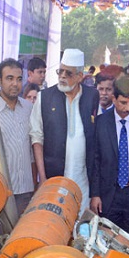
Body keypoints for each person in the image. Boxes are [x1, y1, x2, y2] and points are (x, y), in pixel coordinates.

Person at [30, 48, 99, 211]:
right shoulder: (45, 97)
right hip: (54, 180)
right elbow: (36, 138)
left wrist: (96, 190)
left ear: (80, 77)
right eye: (60, 71)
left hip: (83, 181)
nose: (62, 76)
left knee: (80, 228)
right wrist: (42, 177)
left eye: (68, 73)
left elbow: (96, 145)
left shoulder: (92, 97)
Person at [90, 76, 129, 238]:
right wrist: (95, 194)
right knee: (107, 241)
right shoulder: (100, 123)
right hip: (108, 195)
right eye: (123, 103)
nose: (128, 108)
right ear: (113, 99)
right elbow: (95, 160)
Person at [0, 58, 36, 215]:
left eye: (19, 79)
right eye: (9, 78)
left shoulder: (28, 108)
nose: (15, 84)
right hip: (0, 190)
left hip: (26, 190)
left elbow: (32, 150)